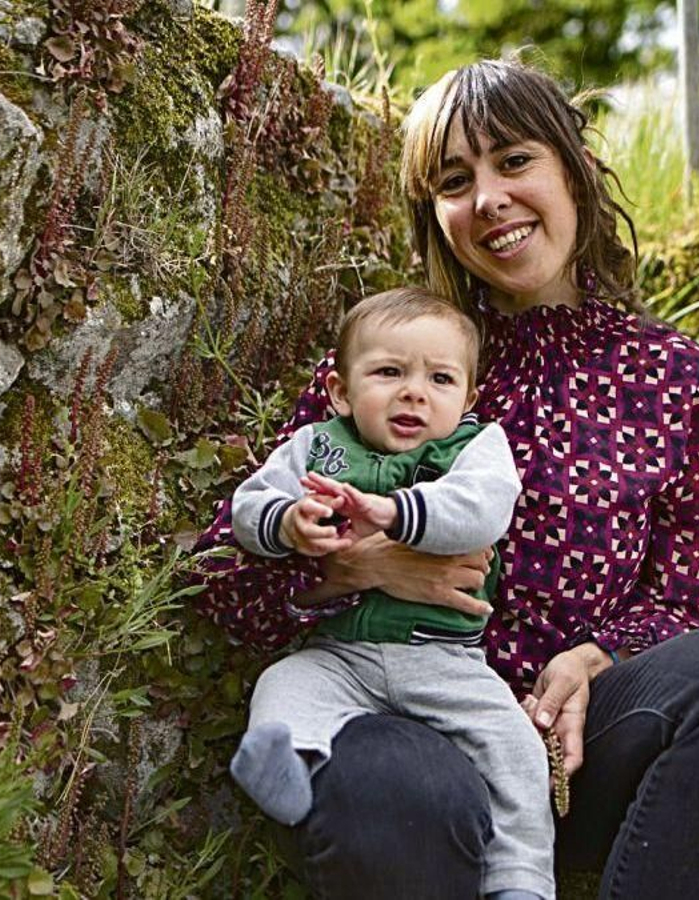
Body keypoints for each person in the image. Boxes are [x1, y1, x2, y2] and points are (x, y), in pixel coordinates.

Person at [194, 57, 699, 899]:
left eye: (514, 160)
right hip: (412, 726)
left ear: (574, 166)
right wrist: (356, 566)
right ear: (436, 214)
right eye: (457, 179)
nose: (489, 198)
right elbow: (220, 575)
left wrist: (599, 656)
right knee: (393, 786)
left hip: (576, 750)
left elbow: (682, 594)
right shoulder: (400, 362)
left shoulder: (675, 376)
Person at [227, 287, 553, 900]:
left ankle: (521, 880)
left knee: (514, 748)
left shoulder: (477, 448)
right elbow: (249, 504)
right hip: (339, 655)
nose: (414, 392)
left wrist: (394, 512)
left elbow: (480, 512)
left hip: (445, 660)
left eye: (440, 378)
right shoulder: (318, 446)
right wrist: (289, 523)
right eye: (388, 372)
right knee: (283, 686)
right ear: (341, 392)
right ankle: (283, 769)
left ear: (468, 397)